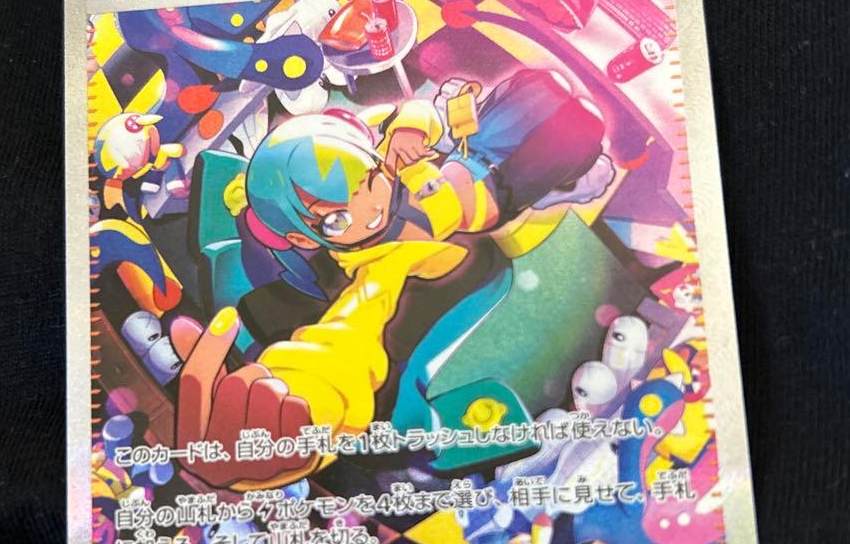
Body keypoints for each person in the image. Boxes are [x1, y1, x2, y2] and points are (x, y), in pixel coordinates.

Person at [171, 68, 614, 490]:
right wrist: (310, 405)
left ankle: (560, 165)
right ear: (302, 236)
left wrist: (409, 130)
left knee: (544, 87)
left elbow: (415, 114)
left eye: (369, 182)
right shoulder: (376, 264)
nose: (370, 211)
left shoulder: (383, 158)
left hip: (466, 155)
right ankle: (571, 182)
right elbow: (346, 336)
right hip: (493, 196)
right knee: (583, 127)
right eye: (337, 219)